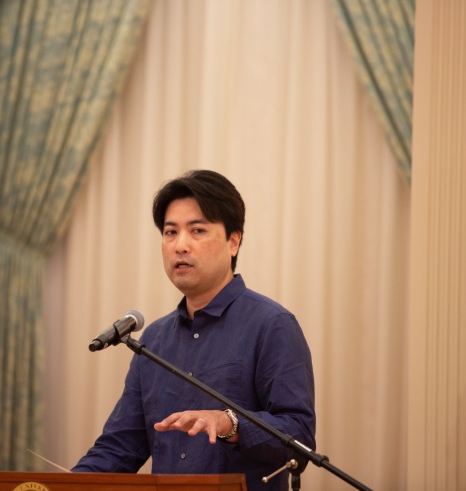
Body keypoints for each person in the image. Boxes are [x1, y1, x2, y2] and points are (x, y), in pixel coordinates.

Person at [72, 169, 316, 491]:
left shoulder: (272, 325)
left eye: (197, 230)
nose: (180, 245)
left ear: (233, 240)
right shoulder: (154, 341)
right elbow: (119, 448)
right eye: (170, 232)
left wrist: (229, 422)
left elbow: (298, 435)